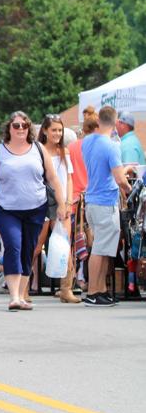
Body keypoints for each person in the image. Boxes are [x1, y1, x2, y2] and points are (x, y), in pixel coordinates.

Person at [0, 111, 66, 311]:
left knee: (29, 250)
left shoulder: (38, 149)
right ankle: (14, 296)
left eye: (24, 126)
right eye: (16, 125)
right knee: (13, 245)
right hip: (6, 209)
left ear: (29, 129)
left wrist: (62, 204)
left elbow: (52, 178)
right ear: (8, 128)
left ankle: (21, 294)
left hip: (36, 208)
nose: (20, 129)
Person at [82, 106, 132, 307]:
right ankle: (94, 291)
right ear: (114, 122)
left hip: (92, 199)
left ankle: (100, 289)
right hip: (105, 201)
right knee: (100, 250)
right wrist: (128, 186)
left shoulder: (87, 141)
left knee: (101, 247)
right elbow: (120, 178)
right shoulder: (111, 146)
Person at [32, 113, 77, 303]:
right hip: (41, 201)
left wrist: (67, 203)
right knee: (36, 246)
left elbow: (68, 178)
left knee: (64, 246)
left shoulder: (64, 152)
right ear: (45, 130)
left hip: (61, 203)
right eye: (54, 130)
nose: (57, 134)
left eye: (60, 130)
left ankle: (66, 289)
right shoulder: (37, 151)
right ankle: (24, 286)